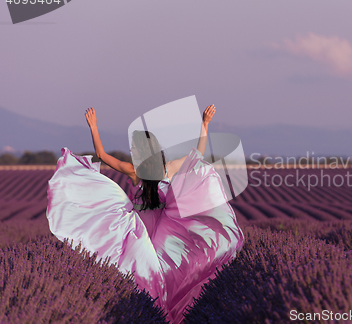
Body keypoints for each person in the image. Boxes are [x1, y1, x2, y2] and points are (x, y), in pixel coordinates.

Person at [46, 105, 244, 324]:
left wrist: (93, 126)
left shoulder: (134, 171)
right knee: (164, 277)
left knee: (139, 276)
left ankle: (147, 315)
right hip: (162, 233)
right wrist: (205, 124)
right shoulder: (167, 168)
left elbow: (101, 155)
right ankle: (167, 316)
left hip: (138, 233)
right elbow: (197, 155)